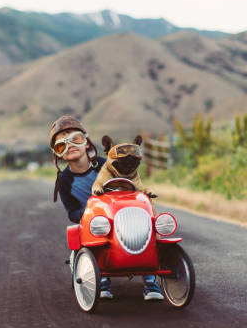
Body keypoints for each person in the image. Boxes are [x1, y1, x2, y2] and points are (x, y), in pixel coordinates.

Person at [49, 115, 164, 301]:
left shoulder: (107, 165)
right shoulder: (65, 180)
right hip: (96, 223)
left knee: (145, 227)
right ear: (58, 153)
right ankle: (101, 280)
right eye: (61, 145)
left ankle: (151, 279)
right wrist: (90, 215)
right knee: (96, 235)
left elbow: (132, 185)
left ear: (86, 142)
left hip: (122, 215)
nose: (70, 146)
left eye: (75, 139)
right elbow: (71, 211)